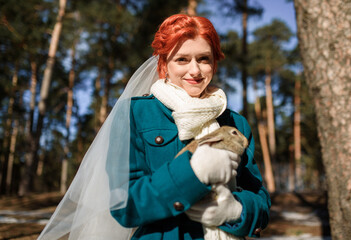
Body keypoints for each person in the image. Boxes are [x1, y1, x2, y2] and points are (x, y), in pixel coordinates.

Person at [38, 14, 270, 240]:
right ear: (163, 64)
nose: (195, 70)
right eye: (182, 59)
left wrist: (237, 211)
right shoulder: (135, 114)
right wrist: (193, 173)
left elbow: (260, 198)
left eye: (203, 59)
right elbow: (124, 205)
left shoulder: (235, 122)